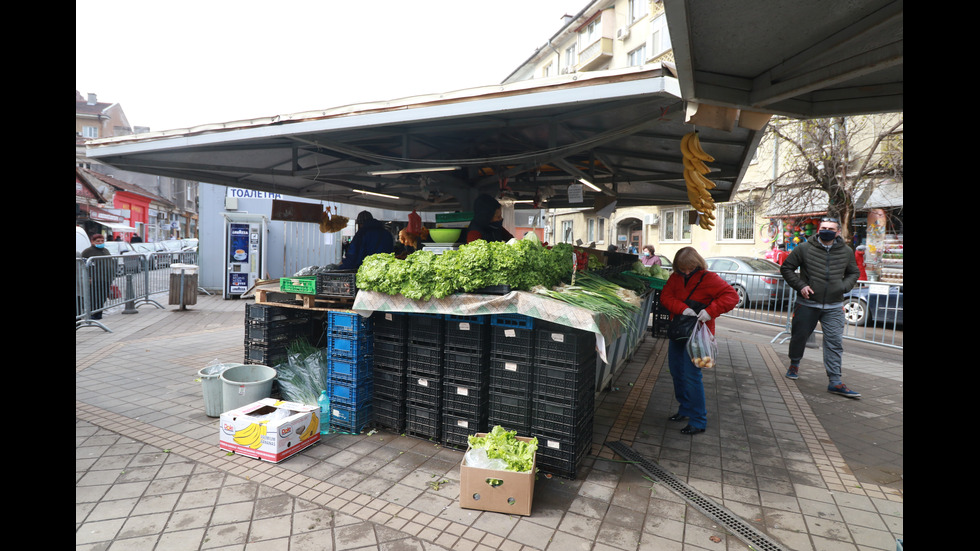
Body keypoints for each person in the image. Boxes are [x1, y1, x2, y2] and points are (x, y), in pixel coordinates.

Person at [659, 247, 739, 435]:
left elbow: (732, 296)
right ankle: (685, 409)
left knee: (692, 376)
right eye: (682, 269)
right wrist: (682, 308)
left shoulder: (709, 278)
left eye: (690, 268)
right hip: (678, 331)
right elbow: (665, 297)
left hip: (698, 335)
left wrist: (710, 311)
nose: (686, 272)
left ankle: (698, 420)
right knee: (677, 372)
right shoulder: (675, 277)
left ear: (697, 264)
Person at [779, 217, 861, 398]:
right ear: (818, 229)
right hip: (807, 304)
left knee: (834, 342)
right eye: (823, 227)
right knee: (799, 336)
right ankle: (794, 363)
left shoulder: (846, 251)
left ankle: (835, 381)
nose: (827, 230)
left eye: (831, 228)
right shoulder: (804, 248)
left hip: (834, 306)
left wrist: (843, 287)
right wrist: (801, 286)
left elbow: (854, 272)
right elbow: (787, 268)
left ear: (838, 231)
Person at [81, 233, 113, 320]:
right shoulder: (88, 251)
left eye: (102, 241)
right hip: (95, 279)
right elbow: (84, 265)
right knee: (95, 297)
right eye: (98, 241)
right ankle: (93, 314)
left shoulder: (105, 250)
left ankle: (99, 313)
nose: (100, 242)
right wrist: (88, 277)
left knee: (103, 297)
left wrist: (112, 275)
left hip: (106, 278)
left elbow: (110, 262)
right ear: (92, 242)